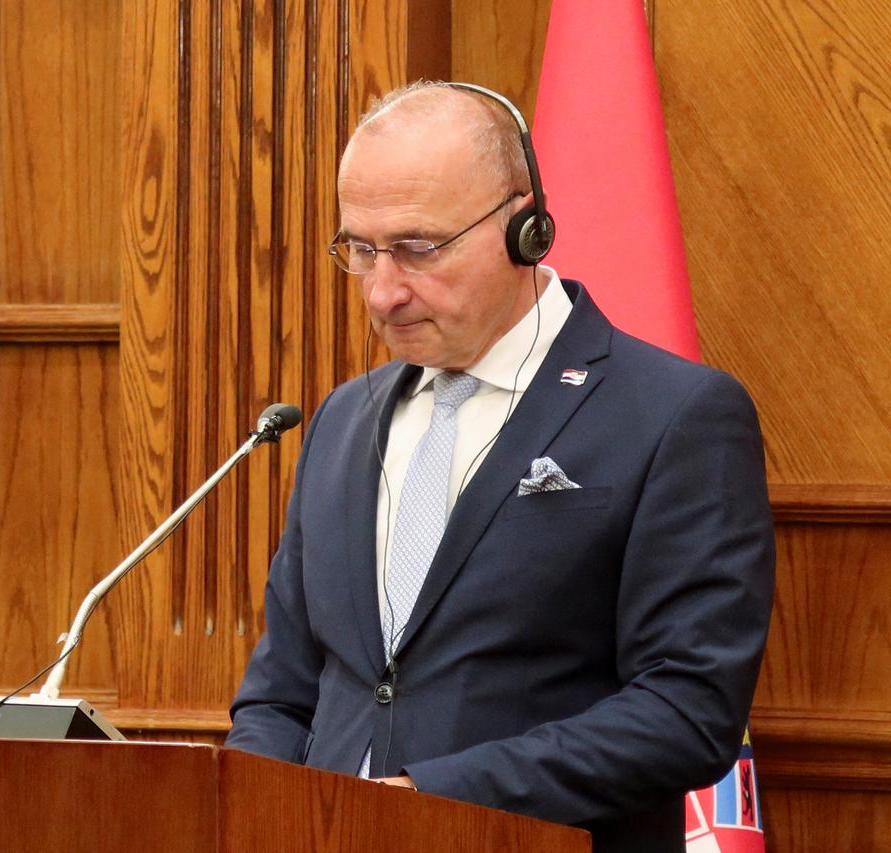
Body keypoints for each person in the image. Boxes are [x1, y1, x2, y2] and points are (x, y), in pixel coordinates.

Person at [225, 81, 775, 853]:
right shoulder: (341, 420)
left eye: (418, 248)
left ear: (527, 228)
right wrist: (241, 814)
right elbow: (282, 693)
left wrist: (426, 800)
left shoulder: (673, 416)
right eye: (360, 249)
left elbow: (685, 709)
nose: (382, 291)